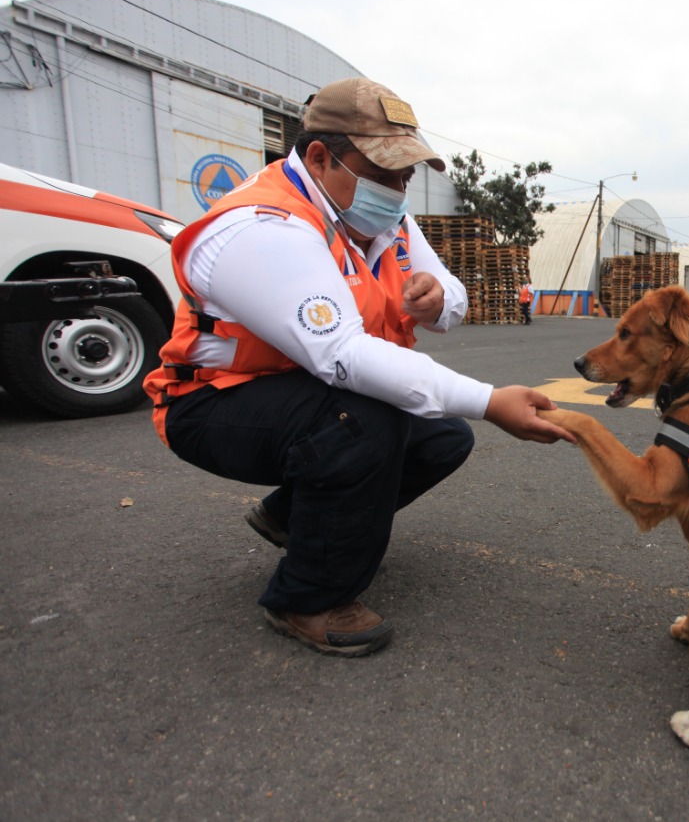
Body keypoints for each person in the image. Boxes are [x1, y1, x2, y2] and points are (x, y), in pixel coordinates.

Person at [143, 77, 572, 658]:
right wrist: (492, 400)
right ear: (320, 157)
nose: (397, 192)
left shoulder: (377, 215)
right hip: (215, 402)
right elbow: (343, 354)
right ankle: (308, 597)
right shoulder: (262, 227)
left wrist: (436, 295)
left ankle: (293, 521)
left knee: (442, 435)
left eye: (405, 176)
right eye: (384, 174)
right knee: (367, 419)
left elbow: (454, 297)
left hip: (304, 392)